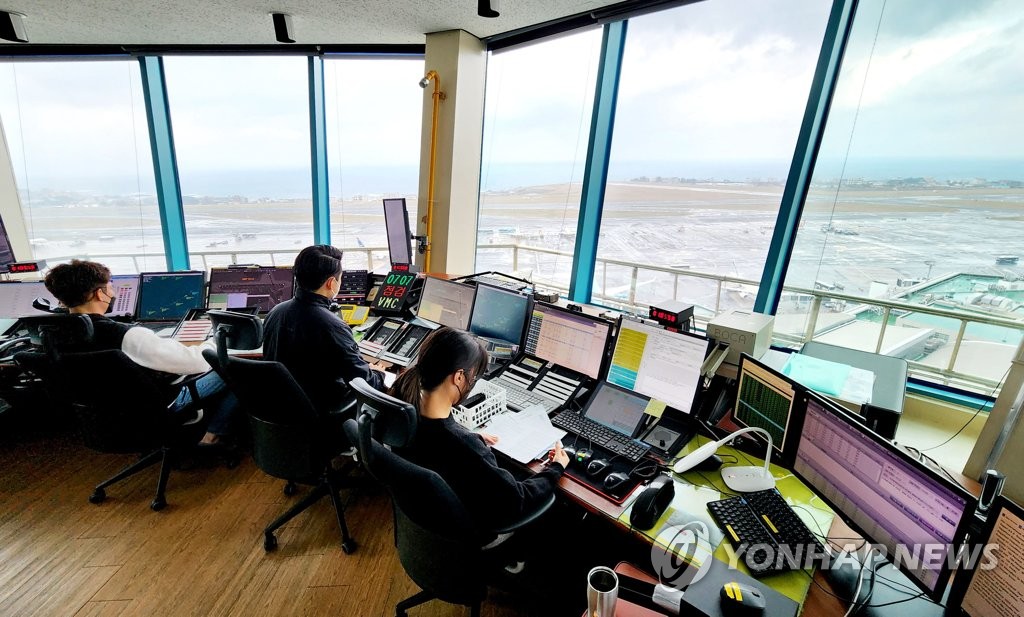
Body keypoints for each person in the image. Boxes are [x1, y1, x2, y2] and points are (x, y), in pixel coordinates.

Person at [389, 327, 569, 531]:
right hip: (471, 526)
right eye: (472, 378)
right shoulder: (465, 447)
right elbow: (518, 499)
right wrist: (556, 467)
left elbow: (442, 444)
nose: (471, 384)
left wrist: (469, 437)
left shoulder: (402, 409)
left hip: (426, 520)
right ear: (458, 377)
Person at [43, 260, 237, 445]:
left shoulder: (53, 335)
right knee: (235, 372)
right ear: (100, 294)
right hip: (155, 408)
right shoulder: (127, 335)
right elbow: (198, 362)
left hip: (103, 417)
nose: (113, 291)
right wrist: (216, 342)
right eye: (110, 286)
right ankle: (211, 435)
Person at [262, 244, 387, 415]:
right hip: (321, 414)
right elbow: (364, 382)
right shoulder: (333, 326)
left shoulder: (276, 311)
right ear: (331, 283)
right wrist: (379, 374)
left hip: (280, 409)